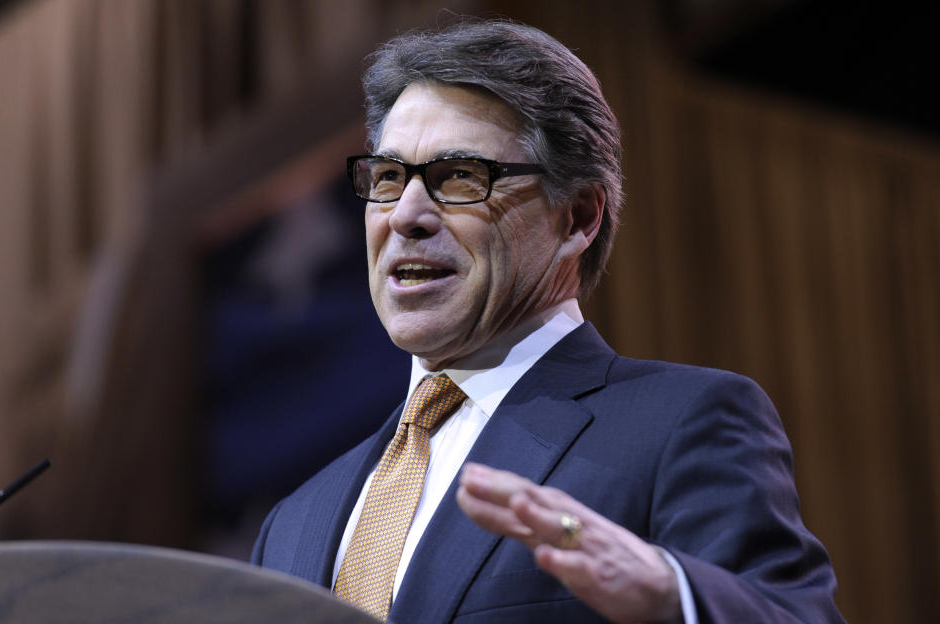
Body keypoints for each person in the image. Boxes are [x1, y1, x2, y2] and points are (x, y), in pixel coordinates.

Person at [252, 19, 844, 624]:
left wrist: (673, 598)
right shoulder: (294, 522)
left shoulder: (681, 423)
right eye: (387, 177)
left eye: (460, 176)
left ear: (578, 217)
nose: (406, 215)